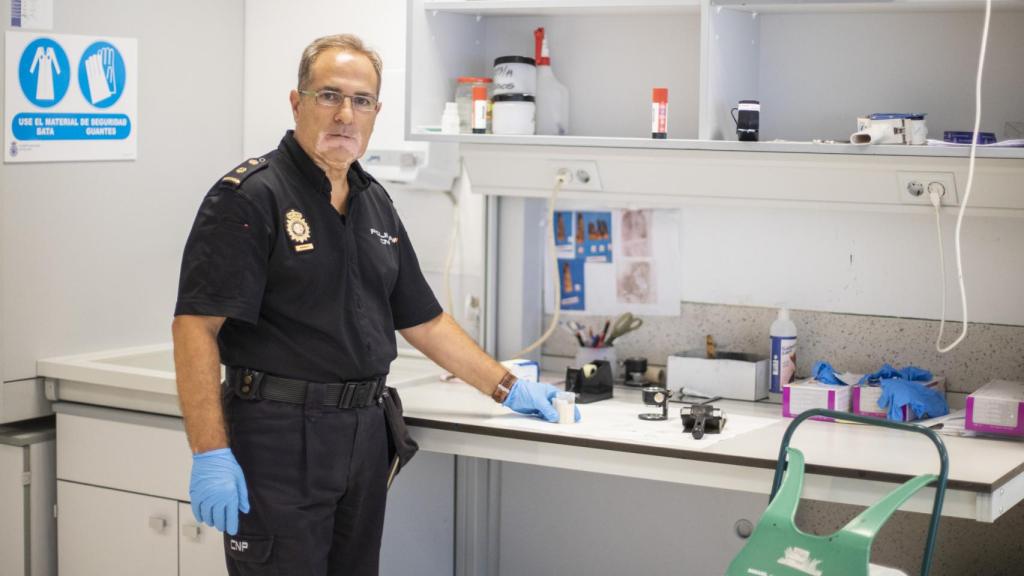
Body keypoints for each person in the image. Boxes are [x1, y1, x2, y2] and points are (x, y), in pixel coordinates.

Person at [172, 34, 576, 576]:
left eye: (361, 101)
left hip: (363, 436)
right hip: (280, 439)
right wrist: (210, 453)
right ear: (297, 103)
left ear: (376, 112)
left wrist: (507, 387)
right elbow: (195, 327)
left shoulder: (372, 201)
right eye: (328, 96)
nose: (345, 114)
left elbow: (425, 321)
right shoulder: (250, 197)